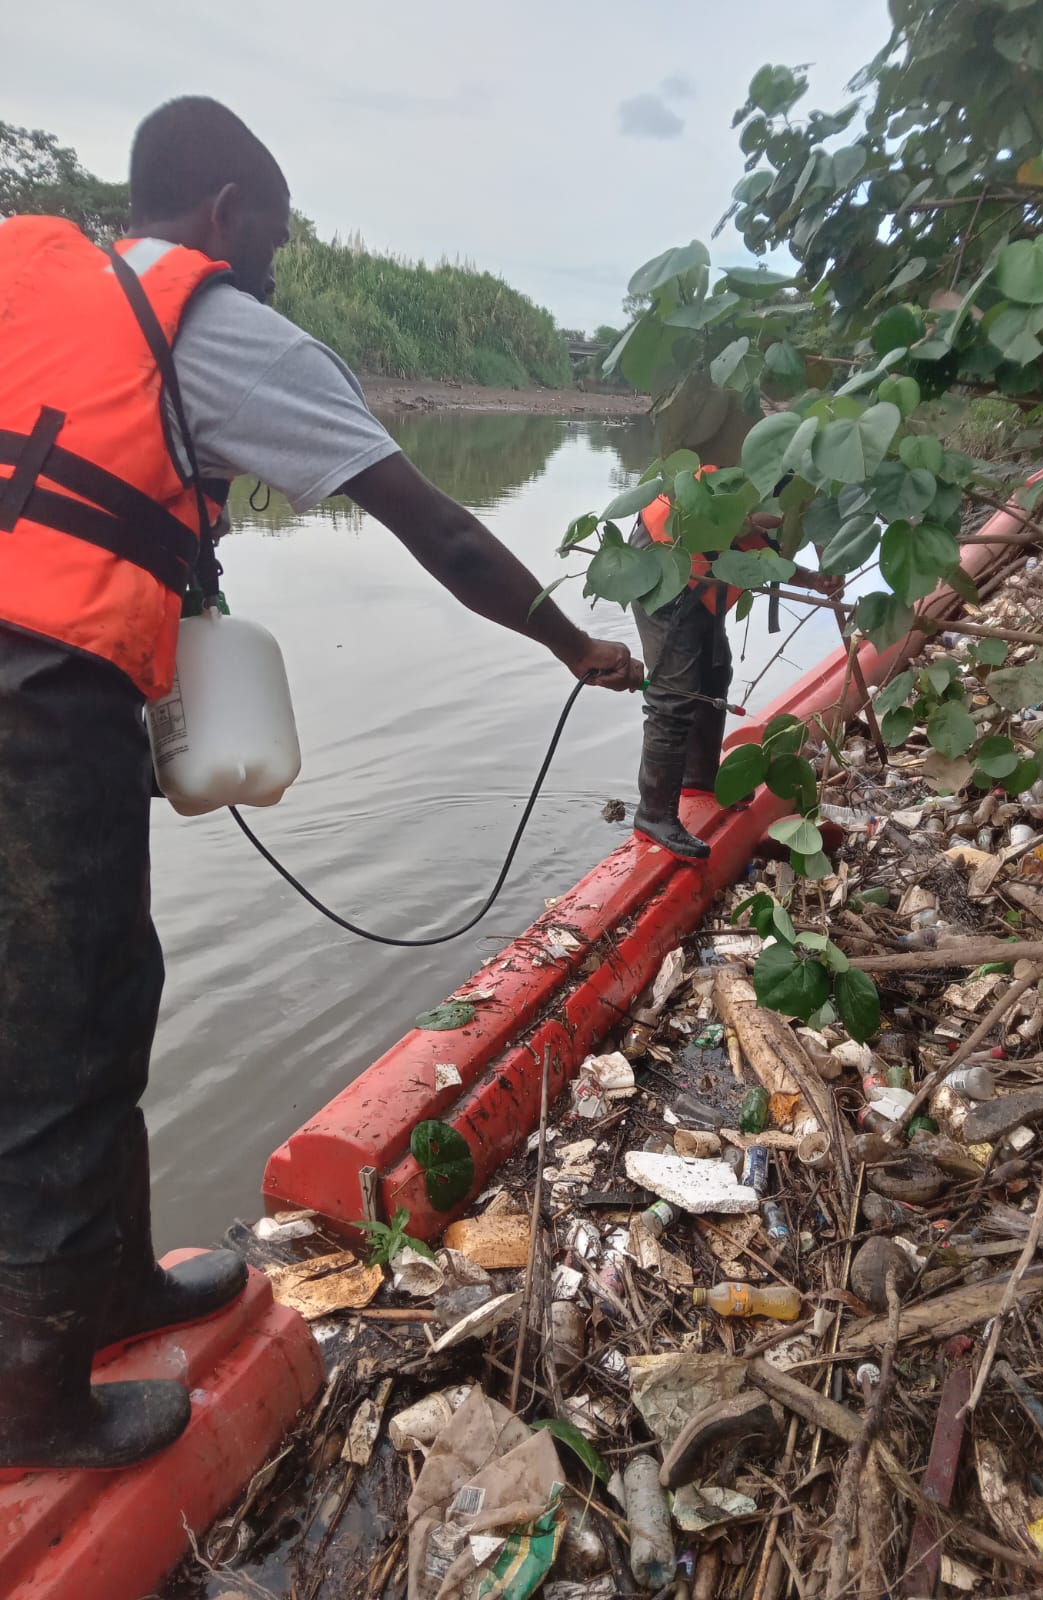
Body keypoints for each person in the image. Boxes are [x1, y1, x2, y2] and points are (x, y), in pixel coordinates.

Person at [0, 96, 642, 1474]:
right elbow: (440, 528)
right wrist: (571, 641)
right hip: (33, 697)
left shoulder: (30, 287)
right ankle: (31, 1403)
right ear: (227, 212)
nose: (277, 264)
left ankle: (107, 1290)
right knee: (56, 1032)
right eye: (275, 236)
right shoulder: (222, 328)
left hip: (47, 679)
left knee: (103, 989)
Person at [630, 467, 834, 861]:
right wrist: (803, 562)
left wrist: (812, 578)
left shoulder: (803, 483)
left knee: (714, 670)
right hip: (664, 560)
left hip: (705, 569)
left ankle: (700, 776)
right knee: (675, 693)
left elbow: (761, 549)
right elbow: (750, 531)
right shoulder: (761, 476)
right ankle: (654, 813)